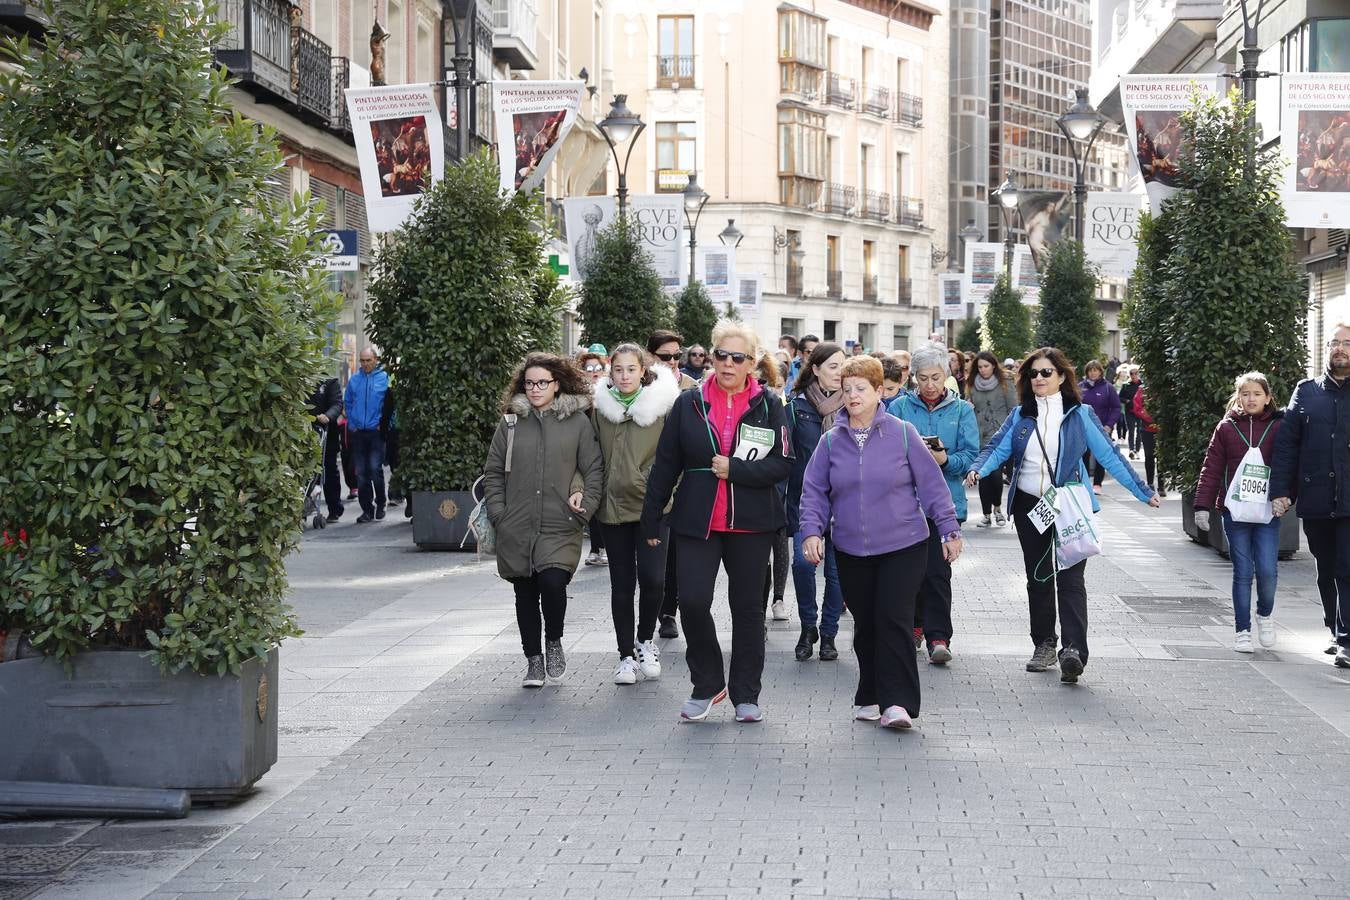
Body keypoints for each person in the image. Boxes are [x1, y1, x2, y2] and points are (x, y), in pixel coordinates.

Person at [966, 348, 1160, 683]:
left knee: (1070, 578)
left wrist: (1142, 491)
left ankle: (1073, 651)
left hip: (1068, 504)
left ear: (1060, 377)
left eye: (1046, 373)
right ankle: (1043, 643)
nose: (1038, 379)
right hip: (1030, 506)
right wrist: (979, 469)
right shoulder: (1020, 416)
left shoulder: (1080, 414)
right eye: (1033, 374)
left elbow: (1109, 455)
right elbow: (996, 448)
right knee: (1038, 577)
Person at [640, 320, 794, 723]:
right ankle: (707, 683)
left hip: (752, 523)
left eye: (737, 357)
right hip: (697, 519)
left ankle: (746, 693)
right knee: (691, 601)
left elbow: (784, 464)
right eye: (720, 355)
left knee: (747, 611)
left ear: (752, 363)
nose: (727, 363)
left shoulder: (769, 405)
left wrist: (736, 470)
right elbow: (665, 464)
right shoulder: (689, 404)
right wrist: (650, 518)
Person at [799, 356, 963, 729]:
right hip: (851, 548)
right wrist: (811, 531)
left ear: (878, 391)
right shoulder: (830, 441)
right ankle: (870, 692)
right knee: (867, 624)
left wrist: (949, 529)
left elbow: (933, 487)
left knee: (894, 619)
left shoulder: (903, 433)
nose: (853, 395)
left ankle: (898, 703)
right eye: (847, 389)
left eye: (861, 388)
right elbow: (813, 492)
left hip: (904, 545)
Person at [483, 354, 604, 688]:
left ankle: (554, 640)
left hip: (560, 522)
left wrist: (585, 508)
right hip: (516, 523)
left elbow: (593, 468)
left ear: (557, 384)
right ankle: (533, 661)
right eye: (529, 383)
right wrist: (499, 514)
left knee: (552, 584)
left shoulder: (578, 422)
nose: (535, 389)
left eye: (542, 383)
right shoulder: (510, 423)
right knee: (525, 593)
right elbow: (493, 471)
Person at [592, 344, 681, 684]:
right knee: (622, 584)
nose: (625, 376)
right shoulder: (600, 409)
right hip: (612, 507)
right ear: (610, 372)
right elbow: (591, 455)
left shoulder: (662, 407)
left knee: (654, 579)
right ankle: (625, 655)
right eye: (618, 370)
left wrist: (665, 494)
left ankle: (646, 640)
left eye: (631, 369)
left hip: (653, 507)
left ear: (643, 370)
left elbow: (675, 458)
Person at [888, 343, 979, 664]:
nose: (929, 385)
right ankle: (914, 625)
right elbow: (885, 450)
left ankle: (938, 636)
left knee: (938, 572)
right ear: (913, 378)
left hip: (944, 503)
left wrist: (944, 459)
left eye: (936, 377)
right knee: (909, 571)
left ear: (947, 376)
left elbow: (970, 455)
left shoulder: (961, 410)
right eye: (923, 378)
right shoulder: (898, 408)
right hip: (905, 503)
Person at [1272, 326, 1350, 668]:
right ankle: (1334, 629)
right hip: (1317, 494)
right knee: (1327, 567)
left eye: (1347, 344)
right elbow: (1287, 445)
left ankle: (1347, 638)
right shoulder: (1305, 392)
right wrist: (1280, 491)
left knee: (1347, 566)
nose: (1340, 349)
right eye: (1335, 343)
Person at [1194, 372, 1285, 654]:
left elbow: (1288, 464)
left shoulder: (1280, 426)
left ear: (1268, 397)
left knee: (1268, 571)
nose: (1251, 399)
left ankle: (1265, 615)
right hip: (1234, 512)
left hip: (1268, 512)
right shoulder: (1226, 428)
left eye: (1257, 394)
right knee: (1243, 571)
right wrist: (1201, 506)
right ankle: (1242, 630)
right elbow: (1211, 467)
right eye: (1245, 393)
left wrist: (1287, 496)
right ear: (1238, 396)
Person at [786, 342, 848, 662]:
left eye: (843, 366)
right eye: (833, 366)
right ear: (816, 369)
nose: (839, 373)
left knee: (837, 573)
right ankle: (807, 626)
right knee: (802, 562)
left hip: (844, 503)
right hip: (805, 501)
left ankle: (828, 633)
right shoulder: (796, 407)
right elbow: (786, 458)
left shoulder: (854, 406)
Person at [755, 353, 793, 626]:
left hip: (781, 488)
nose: (772, 389)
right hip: (755, 487)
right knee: (756, 557)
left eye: (777, 384)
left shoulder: (788, 408)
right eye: (766, 383)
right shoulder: (756, 407)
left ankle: (778, 598)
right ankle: (757, 608)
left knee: (780, 546)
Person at [968, 351, 1016, 528]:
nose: (983, 370)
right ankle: (986, 514)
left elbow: (1013, 409)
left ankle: (997, 509)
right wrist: (968, 405)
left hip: (999, 435)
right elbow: (969, 406)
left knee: (995, 474)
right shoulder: (972, 384)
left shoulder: (1005, 383)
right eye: (979, 366)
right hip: (979, 434)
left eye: (986, 366)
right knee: (982, 475)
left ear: (994, 365)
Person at [344, 349, 390, 523]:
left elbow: (389, 404)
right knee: (362, 473)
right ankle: (367, 510)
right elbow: (347, 402)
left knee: (375, 469)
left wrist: (383, 424)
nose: (365, 364)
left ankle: (381, 502)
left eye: (368, 360)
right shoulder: (355, 380)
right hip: (358, 432)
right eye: (362, 360)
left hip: (376, 432)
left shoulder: (384, 378)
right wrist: (352, 423)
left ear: (375, 360)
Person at [1078, 360, 1122, 494]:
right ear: (1087, 372)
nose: (1093, 373)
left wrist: (1109, 425)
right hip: (1083, 428)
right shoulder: (1080, 387)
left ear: (1100, 372)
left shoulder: (1108, 388)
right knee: (1083, 455)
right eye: (1090, 370)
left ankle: (1097, 484)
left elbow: (1116, 408)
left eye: (1095, 370)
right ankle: (1084, 483)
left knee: (1100, 456)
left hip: (1102, 428)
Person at [308, 376, 345, 523]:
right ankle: (304, 507)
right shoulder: (302, 379)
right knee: (307, 474)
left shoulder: (329, 382)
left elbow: (337, 404)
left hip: (326, 434)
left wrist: (328, 416)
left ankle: (334, 508)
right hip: (307, 433)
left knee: (329, 471)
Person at [1131, 383, 1165, 497]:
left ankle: (1161, 484)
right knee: (1149, 455)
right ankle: (1150, 483)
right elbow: (1137, 407)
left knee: (1161, 458)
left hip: (1162, 428)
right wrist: (1150, 418)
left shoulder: (1165, 387)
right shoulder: (1142, 389)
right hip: (1147, 428)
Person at [1119, 366, 1142, 459]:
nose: (1133, 375)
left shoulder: (1142, 385)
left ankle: (1137, 450)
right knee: (1131, 431)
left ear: (1138, 374)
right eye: (1131, 373)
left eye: (1135, 373)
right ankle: (1131, 450)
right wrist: (1127, 401)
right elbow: (1120, 397)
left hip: (1140, 412)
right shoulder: (1126, 385)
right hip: (1129, 411)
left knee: (1139, 431)